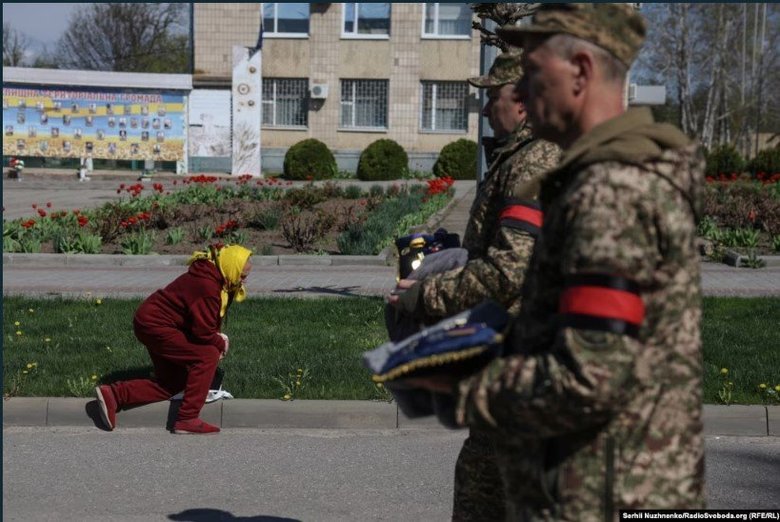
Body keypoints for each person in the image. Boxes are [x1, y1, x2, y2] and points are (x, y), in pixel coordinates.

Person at [406, 4, 706, 519]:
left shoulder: (608, 193)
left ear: (582, 72)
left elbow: (592, 376)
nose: (521, 94)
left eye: (534, 73)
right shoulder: (598, 176)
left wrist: (454, 385)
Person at [387, 50, 560, 521]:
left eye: (492, 97)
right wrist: (446, 257)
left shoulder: (535, 164)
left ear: (522, 101)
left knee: (498, 493)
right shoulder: (517, 158)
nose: (484, 109)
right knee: (487, 487)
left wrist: (425, 294)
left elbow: (509, 272)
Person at [95, 244, 253, 435]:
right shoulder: (208, 286)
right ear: (231, 267)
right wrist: (220, 342)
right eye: (242, 275)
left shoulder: (213, 276)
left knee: (173, 382)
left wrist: (216, 337)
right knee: (207, 355)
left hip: (151, 322)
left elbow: (203, 322)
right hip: (155, 326)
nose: (244, 280)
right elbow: (203, 332)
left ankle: (114, 395)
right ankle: (187, 419)